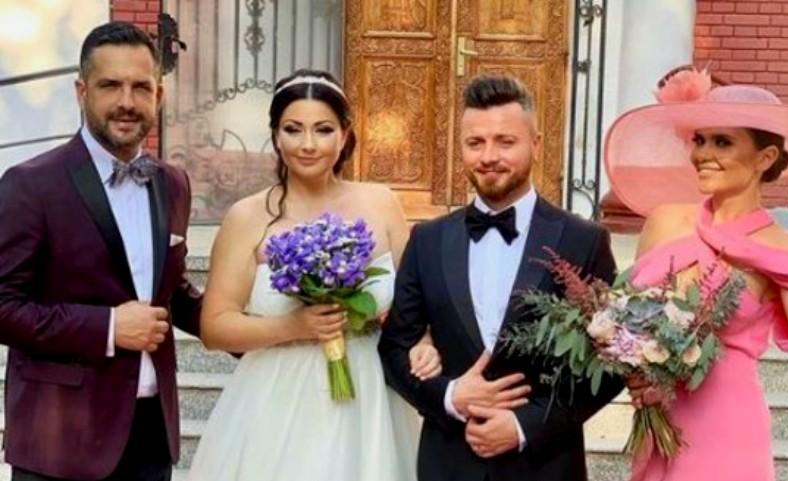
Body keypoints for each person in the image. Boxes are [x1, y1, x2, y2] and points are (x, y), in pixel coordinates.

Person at [186, 68, 441, 481]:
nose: (308, 144)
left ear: (344, 135)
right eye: (293, 129)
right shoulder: (247, 216)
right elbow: (214, 327)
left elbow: (417, 305)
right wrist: (295, 326)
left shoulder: (381, 203)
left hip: (369, 395)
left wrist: (424, 342)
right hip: (276, 399)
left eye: (323, 130)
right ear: (275, 136)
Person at [604, 67, 788, 480]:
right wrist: (635, 369)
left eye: (723, 142)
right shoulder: (666, 222)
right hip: (662, 418)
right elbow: (626, 321)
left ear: (765, 158)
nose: (703, 153)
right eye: (700, 140)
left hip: (731, 425)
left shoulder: (786, 246)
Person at [379, 74, 624, 481]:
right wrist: (450, 396)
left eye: (505, 142)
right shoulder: (427, 240)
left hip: (546, 467)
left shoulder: (583, 240)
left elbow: (612, 362)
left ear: (536, 144)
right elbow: (393, 348)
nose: (488, 156)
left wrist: (524, 425)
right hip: (449, 464)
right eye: (475, 143)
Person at [0, 21, 203, 481]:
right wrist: (109, 326)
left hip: (150, 438)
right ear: (81, 91)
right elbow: (4, 306)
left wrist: (258, 328)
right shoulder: (30, 184)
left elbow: (169, 290)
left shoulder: (173, 184)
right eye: (110, 85)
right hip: (59, 443)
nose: (127, 101)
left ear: (159, 95)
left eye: (141, 87)